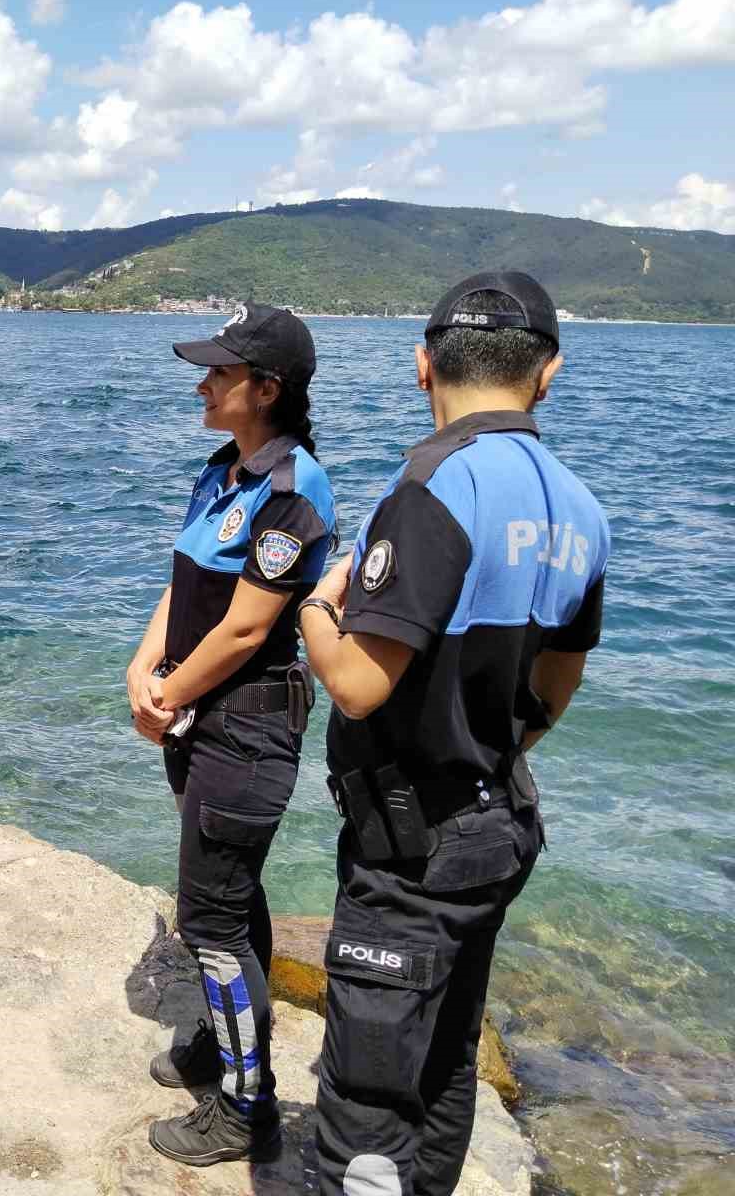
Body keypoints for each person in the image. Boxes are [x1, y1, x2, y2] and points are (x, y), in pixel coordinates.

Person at [297, 272, 609, 1195]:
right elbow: (557, 682)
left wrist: (319, 604)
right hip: (497, 828)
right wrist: (492, 753)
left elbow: (357, 685)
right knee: (443, 1071)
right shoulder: (582, 510)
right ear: (546, 375)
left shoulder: (434, 486)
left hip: (413, 851)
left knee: (362, 1107)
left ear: (422, 363)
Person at [129, 303, 337, 1166]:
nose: (203, 382)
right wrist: (143, 672)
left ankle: (246, 1109)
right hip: (199, 718)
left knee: (208, 923)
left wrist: (170, 691)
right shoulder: (224, 469)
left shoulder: (293, 491)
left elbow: (250, 631)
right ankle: (222, 1047)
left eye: (220, 371)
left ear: (267, 388)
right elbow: (184, 587)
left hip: (246, 732)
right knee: (233, 901)